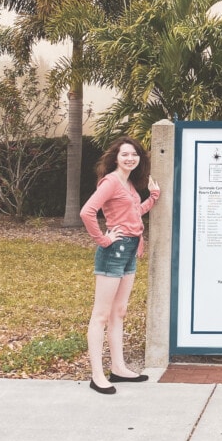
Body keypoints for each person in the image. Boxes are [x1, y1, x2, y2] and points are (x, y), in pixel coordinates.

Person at [80, 136, 160, 395]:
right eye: (125, 154)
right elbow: (87, 211)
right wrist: (103, 239)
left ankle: (119, 368)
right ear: (116, 157)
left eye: (134, 155)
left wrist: (154, 197)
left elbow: (134, 214)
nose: (130, 158)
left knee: (120, 311)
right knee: (101, 314)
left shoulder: (128, 184)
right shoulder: (111, 181)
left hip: (129, 250)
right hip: (113, 251)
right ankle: (97, 375)